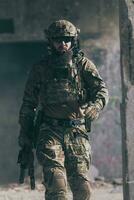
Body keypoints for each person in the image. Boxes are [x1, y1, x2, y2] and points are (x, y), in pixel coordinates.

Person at [18, 19, 109, 200]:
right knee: (57, 187)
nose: (63, 44)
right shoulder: (40, 69)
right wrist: (25, 135)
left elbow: (101, 91)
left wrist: (95, 106)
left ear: (73, 40)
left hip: (76, 131)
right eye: (58, 40)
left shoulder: (83, 65)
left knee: (82, 189)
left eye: (67, 39)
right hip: (50, 131)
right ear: (51, 41)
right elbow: (29, 104)